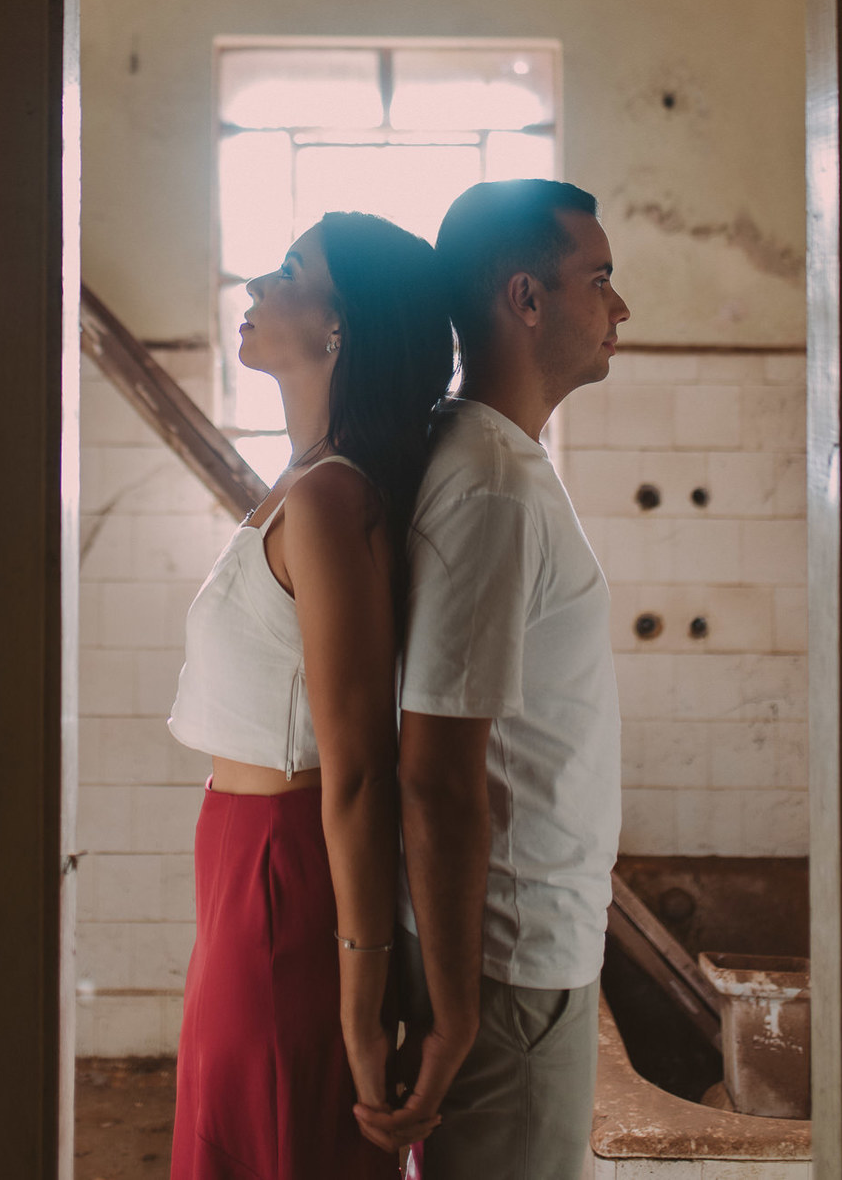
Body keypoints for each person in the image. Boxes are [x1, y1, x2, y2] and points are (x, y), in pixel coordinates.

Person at [167, 210, 453, 1180]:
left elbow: (361, 768)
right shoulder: (306, 480)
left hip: (285, 870)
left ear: (341, 325)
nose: (257, 284)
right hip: (242, 855)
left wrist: (361, 1004)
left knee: (279, 1137)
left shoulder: (333, 497)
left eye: (289, 270)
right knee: (244, 1128)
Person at [355, 179, 629, 1179]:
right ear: (526, 298)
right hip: (511, 961)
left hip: (511, 949)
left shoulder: (483, 455)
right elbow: (436, 770)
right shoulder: (495, 486)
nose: (620, 306)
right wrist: (460, 1009)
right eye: (599, 279)